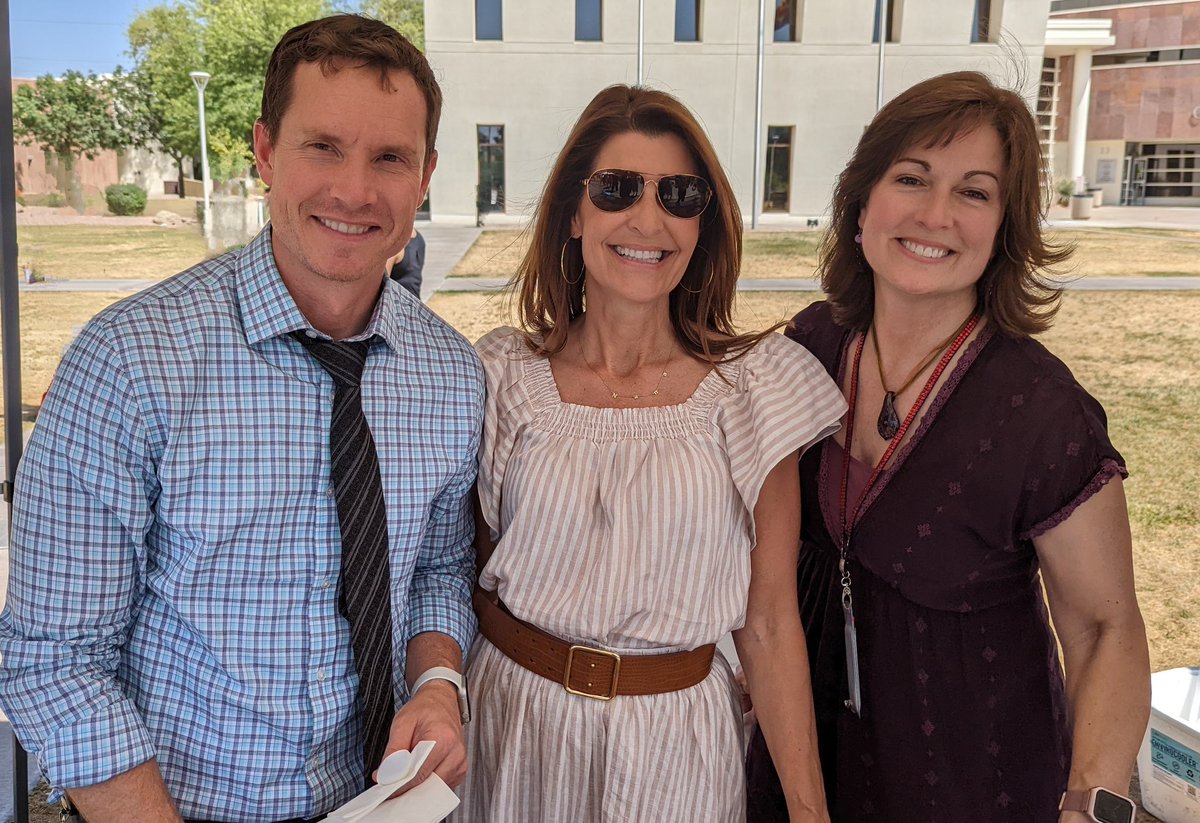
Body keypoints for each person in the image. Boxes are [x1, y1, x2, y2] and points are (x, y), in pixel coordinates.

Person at [0, 15, 483, 823]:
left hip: (383, 801)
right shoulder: (129, 361)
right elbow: (54, 658)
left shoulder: (451, 374)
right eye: (322, 146)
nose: (356, 190)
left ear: (426, 174)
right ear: (264, 150)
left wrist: (439, 682)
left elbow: (439, 565)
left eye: (390, 157)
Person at [745, 71, 1151, 823]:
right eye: (912, 178)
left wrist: (1090, 804)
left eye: (974, 192)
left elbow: (1104, 628)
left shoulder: (1039, 410)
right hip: (809, 766)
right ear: (862, 203)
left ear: (1004, 225)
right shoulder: (810, 347)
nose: (935, 215)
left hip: (976, 777)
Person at [456, 84, 846, 822]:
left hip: (677, 750)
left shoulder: (754, 390)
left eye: (679, 193)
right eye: (616, 189)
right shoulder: (502, 378)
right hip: (517, 729)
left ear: (704, 221)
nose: (648, 218)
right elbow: (468, 575)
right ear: (574, 212)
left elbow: (767, 622)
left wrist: (808, 809)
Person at [388, 226, 425, 298]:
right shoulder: (418, 237)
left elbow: (377, 289)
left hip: (398, 306)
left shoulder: (395, 247)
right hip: (413, 304)